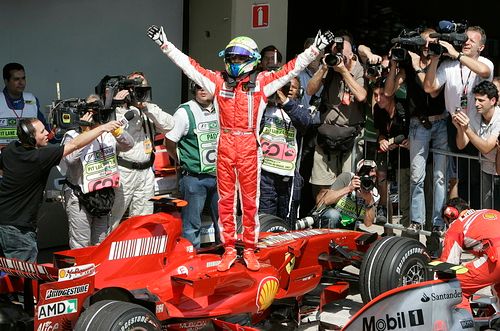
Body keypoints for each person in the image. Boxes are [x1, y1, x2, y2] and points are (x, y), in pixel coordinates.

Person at [147, 24, 333, 271]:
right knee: (226, 202)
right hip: (224, 145)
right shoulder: (217, 81)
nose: (235, 61)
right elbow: (189, 66)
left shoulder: (263, 82)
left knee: (250, 203)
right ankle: (229, 249)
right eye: (232, 57)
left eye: (240, 58)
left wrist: (316, 48)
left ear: (252, 60)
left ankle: (250, 250)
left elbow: (292, 68)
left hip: (249, 147)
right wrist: (164, 43)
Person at [0, 117, 122, 261]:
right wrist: (102, 128)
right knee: (23, 278)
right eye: (42, 131)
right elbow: (74, 145)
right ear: (31, 137)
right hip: (18, 230)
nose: (47, 133)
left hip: (3, 221)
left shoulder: (11, 149)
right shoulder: (39, 157)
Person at [385, 28, 449, 232]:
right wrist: (394, 65)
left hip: (440, 122)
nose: (427, 47)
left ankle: (438, 222)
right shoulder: (409, 65)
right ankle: (417, 219)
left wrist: (417, 66)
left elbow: (432, 88)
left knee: (440, 177)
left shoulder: (442, 61)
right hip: (418, 124)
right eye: (423, 43)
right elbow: (388, 91)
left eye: (431, 43)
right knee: (416, 176)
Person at [424, 25, 493, 209]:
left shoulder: (486, 62)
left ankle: (479, 218)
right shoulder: (449, 65)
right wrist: (434, 59)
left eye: (472, 40)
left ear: (481, 47)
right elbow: (429, 87)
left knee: (478, 179)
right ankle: (461, 217)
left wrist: (457, 54)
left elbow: (484, 72)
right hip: (454, 125)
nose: (467, 42)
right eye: (465, 39)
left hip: (478, 128)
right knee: (459, 177)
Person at [61, 95, 134, 249]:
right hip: (79, 196)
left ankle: (98, 272)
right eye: (91, 111)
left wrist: (116, 130)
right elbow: (70, 159)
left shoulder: (108, 132)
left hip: (103, 195)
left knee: (101, 244)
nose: (95, 115)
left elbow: (129, 145)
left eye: (98, 110)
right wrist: (85, 132)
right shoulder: (73, 135)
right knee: (81, 245)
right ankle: (81, 272)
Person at [109, 72, 175, 230]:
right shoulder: (117, 110)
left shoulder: (149, 108)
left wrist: (145, 106)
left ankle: (137, 252)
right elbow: (113, 132)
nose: (140, 91)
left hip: (146, 172)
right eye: (136, 88)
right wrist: (118, 107)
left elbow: (170, 125)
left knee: (143, 220)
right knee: (113, 218)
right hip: (124, 170)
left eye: (143, 87)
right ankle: (105, 251)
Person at [307, 31, 367, 199]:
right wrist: (325, 67)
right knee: (321, 184)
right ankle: (321, 216)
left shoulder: (359, 69)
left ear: (351, 54)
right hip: (327, 134)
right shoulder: (329, 66)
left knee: (349, 183)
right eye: (335, 53)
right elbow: (310, 90)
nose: (339, 57)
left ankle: (343, 221)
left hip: (351, 135)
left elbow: (362, 96)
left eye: (343, 55)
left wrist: (343, 71)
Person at [164, 82, 220, 249]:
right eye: (198, 86)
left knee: (224, 222)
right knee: (191, 225)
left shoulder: (221, 106)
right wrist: (181, 161)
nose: (202, 89)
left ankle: (225, 255)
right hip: (195, 178)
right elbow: (170, 141)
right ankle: (190, 260)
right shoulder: (184, 112)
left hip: (220, 177)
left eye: (206, 86)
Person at [259, 77, 312, 227]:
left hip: (288, 174)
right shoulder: (265, 108)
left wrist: (285, 102)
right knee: (265, 216)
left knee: (287, 217)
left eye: (292, 87)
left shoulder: (301, 109)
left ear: (299, 92)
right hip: (265, 172)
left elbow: (305, 122)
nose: (288, 89)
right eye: (285, 86)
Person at [440, 197, 500, 311]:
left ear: (451, 213)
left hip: (496, 258)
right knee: (497, 286)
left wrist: (433, 265)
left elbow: (447, 266)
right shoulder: (491, 212)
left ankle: (463, 326)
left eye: (446, 222)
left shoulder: (457, 225)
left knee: (454, 287)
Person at [453, 80, 500, 210]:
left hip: (498, 170)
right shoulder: (475, 116)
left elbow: (486, 147)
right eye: (475, 100)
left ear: (493, 100)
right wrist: (460, 128)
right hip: (486, 170)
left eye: (481, 100)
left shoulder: (499, 118)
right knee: (487, 212)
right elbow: (461, 145)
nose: (476, 104)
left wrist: (467, 129)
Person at [372, 78, 410, 227]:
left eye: (382, 94)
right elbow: (381, 132)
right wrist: (382, 139)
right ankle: (387, 228)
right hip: (389, 153)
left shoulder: (402, 106)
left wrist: (391, 140)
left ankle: (407, 228)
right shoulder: (377, 109)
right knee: (382, 183)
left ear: (391, 94)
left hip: (406, 154)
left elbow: (407, 132)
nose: (378, 98)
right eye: (375, 95)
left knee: (405, 195)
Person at [315, 159, 379, 230]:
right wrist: (349, 188)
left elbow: (368, 224)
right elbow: (326, 200)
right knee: (333, 215)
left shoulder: (374, 193)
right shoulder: (347, 178)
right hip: (328, 218)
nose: (367, 180)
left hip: (349, 226)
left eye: (372, 177)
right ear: (357, 174)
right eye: (363, 176)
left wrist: (369, 201)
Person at [0, 63, 51, 149]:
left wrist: (57, 133)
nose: (21, 82)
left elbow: (45, 129)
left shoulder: (31, 99)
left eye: (23, 78)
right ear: (6, 81)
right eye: (16, 79)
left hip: (29, 156)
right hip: (3, 157)